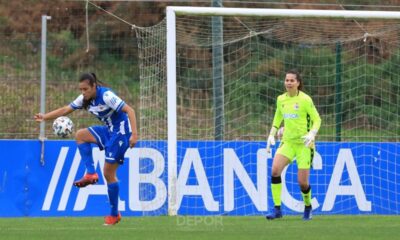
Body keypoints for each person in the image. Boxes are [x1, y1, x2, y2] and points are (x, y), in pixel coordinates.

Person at [34, 73, 138, 225]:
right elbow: (65, 109)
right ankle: (90, 173)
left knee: (108, 173)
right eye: (81, 89)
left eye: (86, 89)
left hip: (121, 133)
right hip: (109, 131)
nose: (83, 92)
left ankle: (114, 214)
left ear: (94, 86)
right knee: (80, 135)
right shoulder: (84, 99)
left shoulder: (107, 95)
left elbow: (130, 111)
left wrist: (134, 135)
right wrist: (44, 117)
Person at [265, 69, 321, 221]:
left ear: (298, 83)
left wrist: (312, 134)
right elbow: (277, 118)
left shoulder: (305, 100)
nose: (288, 83)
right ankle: (277, 210)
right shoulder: (281, 99)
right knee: (275, 170)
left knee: (302, 182)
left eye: (292, 80)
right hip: (288, 142)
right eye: (287, 80)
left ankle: (308, 207)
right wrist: (271, 133)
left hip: (304, 144)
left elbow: (317, 119)